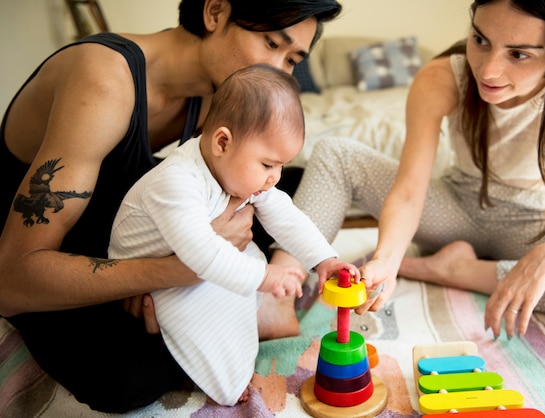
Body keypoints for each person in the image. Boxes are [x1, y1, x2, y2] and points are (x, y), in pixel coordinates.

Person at [0, 0, 342, 412]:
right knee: (127, 378)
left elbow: (243, 196)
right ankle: (246, 295)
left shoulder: (214, 99)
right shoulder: (103, 80)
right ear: (214, 12)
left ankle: (261, 300)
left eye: (292, 60)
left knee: (287, 183)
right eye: (272, 44)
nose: (278, 71)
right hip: (43, 253)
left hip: (137, 222)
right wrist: (173, 272)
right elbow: (9, 283)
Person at [272, 0, 545, 340]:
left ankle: (460, 270)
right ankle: (276, 296)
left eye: (518, 54)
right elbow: (410, 190)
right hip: (457, 209)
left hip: (543, 224)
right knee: (337, 153)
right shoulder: (442, 76)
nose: (488, 70)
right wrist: (387, 260)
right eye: (480, 40)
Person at [108, 64, 361, 406]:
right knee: (208, 311)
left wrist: (323, 258)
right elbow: (201, 253)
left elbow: (285, 215)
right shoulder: (176, 182)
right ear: (222, 142)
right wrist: (264, 277)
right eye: (268, 165)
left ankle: (258, 314)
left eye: (282, 165)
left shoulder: (234, 166)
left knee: (248, 262)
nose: (275, 177)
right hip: (153, 280)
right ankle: (222, 380)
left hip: (193, 259)